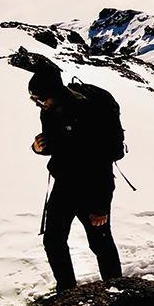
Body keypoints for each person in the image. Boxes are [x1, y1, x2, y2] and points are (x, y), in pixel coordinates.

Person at [29, 68, 122, 292]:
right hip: (64, 183)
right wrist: (38, 148)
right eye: (33, 99)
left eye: (40, 98)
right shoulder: (48, 112)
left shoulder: (90, 110)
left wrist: (101, 204)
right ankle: (66, 291)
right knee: (53, 240)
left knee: (100, 242)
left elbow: (104, 159)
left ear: (55, 92)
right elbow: (57, 146)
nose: (37, 104)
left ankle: (117, 291)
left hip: (93, 188)